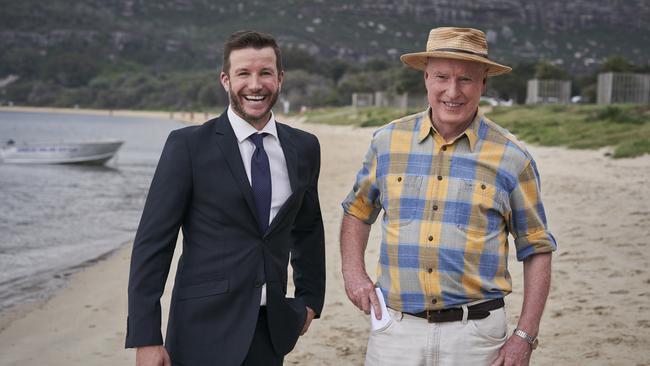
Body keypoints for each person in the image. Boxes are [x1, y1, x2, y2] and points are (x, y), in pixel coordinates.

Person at [340, 27, 556, 366]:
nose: (452, 91)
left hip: (477, 338)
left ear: (484, 83)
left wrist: (525, 336)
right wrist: (354, 274)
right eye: (442, 76)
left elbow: (537, 247)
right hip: (395, 332)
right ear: (426, 77)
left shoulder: (513, 157)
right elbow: (357, 210)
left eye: (466, 80)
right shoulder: (387, 142)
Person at [125, 30, 325, 366]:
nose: (255, 84)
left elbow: (307, 228)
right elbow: (153, 245)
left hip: (271, 330)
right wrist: (146, 337)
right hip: (201, 331)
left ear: (280, 78)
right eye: (243, 73)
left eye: (265, 73)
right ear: (225, 80)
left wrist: (309, 299)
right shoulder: (187, 147)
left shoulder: (304, 147)